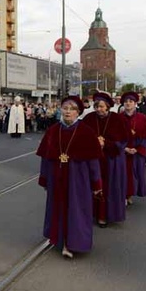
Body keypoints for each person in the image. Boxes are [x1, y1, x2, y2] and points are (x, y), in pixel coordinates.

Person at [37, 96, 103, 259]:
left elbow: (93, 161)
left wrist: (96, 184)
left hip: (78, 180)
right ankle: (59, 240)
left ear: (78, 112)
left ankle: (73, 243)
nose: (67, 111)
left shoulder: (86, 132)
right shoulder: (53, 131)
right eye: (65, 108)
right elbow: (45, 158)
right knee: (57, 208)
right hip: (56, 178)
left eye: (71, 109)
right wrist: (44, 179)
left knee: (76, 211)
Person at [82, 92, 129, 227]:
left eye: (101, 106)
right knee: (93, 187)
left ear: (107, 106)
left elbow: (122, 140)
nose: (99, 109)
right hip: (93, 160)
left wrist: (106, 143)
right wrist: (95, 141)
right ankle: (92, 214)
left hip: (111, 160)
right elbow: (81, 137)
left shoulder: (117, 119)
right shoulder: (89, 118)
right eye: (96, 106)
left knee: (108, 188)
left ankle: (106, 215)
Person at [118, 92, 146, 206]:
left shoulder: (142, 118)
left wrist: (138, 148)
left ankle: (130, 194)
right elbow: (114, 136)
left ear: (135, 103)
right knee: (123, 174)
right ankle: (123, 195)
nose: (128, 103)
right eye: (126, 101)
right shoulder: (118, 118)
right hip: (122, 151)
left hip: (137, 150)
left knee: (135, 174)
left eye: (130, 101)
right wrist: (124, 148)